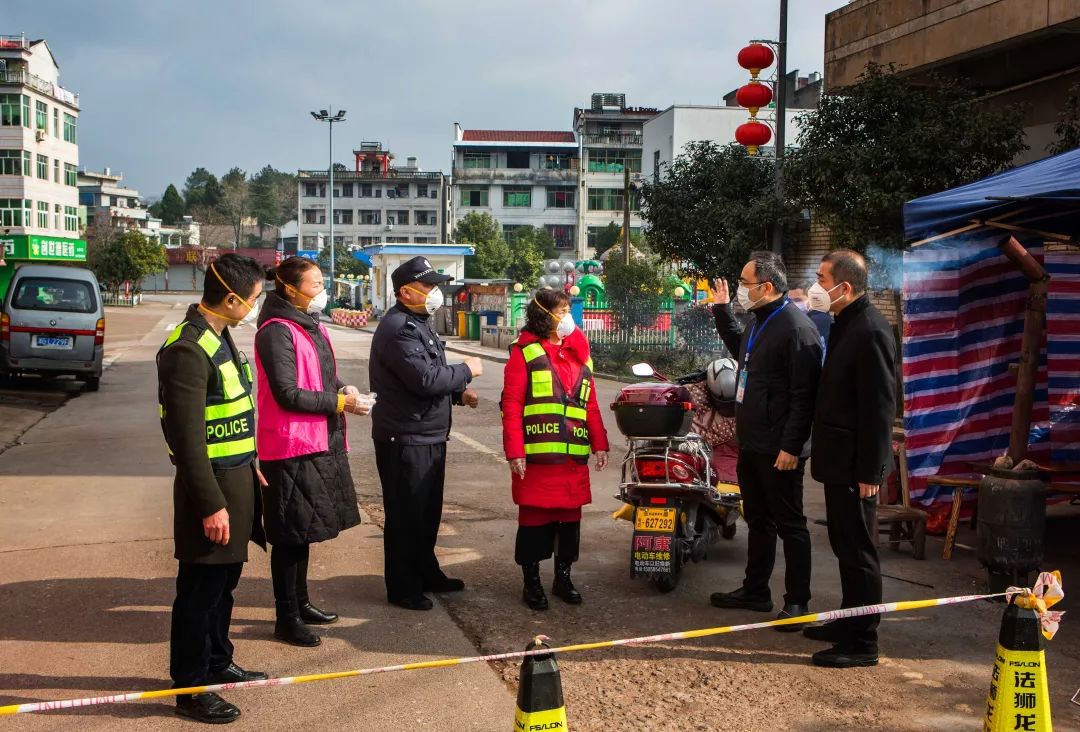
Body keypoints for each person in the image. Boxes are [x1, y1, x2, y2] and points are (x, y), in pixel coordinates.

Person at [156, 253, 268, 725]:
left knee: (224, 588)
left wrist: (250, 464)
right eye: (254, 299)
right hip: (212, 493)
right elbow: (186, 441)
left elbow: (232, 415)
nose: (256, 306)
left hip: (237, 481)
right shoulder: (187, 349)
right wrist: (210, 504)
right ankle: (191, 686)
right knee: (199, 593)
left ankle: (219, 661)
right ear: (231, 299)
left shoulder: (219, 337)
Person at [254, 256, 373, 647]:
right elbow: (287, 392)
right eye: (316, 284)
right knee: (289, 535)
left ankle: (301, 603)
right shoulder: (276, 330)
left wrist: (343, 388)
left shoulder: (309, 324)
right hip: (289, 446)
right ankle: (286, 617)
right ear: (290, 290)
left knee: (302, 530)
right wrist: (340, 404)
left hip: (315, 441)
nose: (322, 290)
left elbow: (322, 377)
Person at [707, 251, 822, 629]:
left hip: (780, 449)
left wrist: (791, 447)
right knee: (758, 520)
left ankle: (798, 602)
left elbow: (804, 397)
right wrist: (722, 310)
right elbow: (741, 348)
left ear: (767, 286)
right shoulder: (761, 321)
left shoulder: (796, 329)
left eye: (745, 283)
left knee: (790, 524)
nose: (741, 289)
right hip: (752, 442)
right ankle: (756, 590)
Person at [368, 256, 483, 610]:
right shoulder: (399, 328)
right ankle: (403, 587)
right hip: (405, 437)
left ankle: (426, 572)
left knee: (427, 513)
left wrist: (458, 394)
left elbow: (428, 375)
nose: (434, 292)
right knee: (406, 516)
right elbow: (424, 379)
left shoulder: (419, 324)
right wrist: (467, 370)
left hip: (427, 434)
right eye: (428, 286)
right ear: (405, 292)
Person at [803, 250, 896, 668]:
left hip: (857, 467)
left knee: (859, 552)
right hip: (838, 461)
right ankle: (847, 620)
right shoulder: (844, 322)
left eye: (822, 278)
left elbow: (879, 409)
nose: (816, 286)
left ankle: (862, 641)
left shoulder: (871, 329)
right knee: (844, 546)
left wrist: (870, 471)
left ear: (844, 286)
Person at [501, 289, 609, 610]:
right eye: (561, 311)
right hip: (537, 461)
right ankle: (531, 583)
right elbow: (512, 405)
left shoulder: (579, 354)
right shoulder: (524, 353)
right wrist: (515, 452)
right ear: (543, 315)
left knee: (569, 524)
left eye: (568, 310)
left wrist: (600, 444)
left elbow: (590, 405)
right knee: (533, 523)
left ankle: (563, 579)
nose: (567, 317)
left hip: (572, 461)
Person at [789, 284, 832, 354]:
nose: (793, 304)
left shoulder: (819, 320)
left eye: (797, 300)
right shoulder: (801, 317)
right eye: (790, 301)